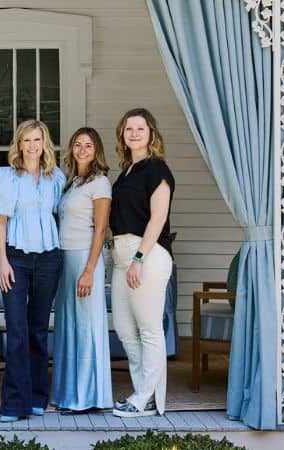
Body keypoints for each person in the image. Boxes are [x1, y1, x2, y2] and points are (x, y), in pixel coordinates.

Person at [0, 120, 66, 422]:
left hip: (48, 259)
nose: (32, 146)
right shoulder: (5, 177)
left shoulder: (56, 177)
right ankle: (13, 404)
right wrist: (3, 261)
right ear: (18, 144)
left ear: (45, 143)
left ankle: (36, 397)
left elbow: (62, 215)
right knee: (17, 331)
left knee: (38, 329)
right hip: (16, 259)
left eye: (37, 140)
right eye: (26, 140)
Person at [109, 108, 175, 418]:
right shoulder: (125, 173)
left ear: (151, 134)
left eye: (140, 128)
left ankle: (146, 395)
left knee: (149, 330)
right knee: (124, 329)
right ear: (122, 134)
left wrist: (138, 258)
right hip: (123, 257)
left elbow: (159, 218)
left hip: (146, 255)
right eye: (129, 129)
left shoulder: (156, 169)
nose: (134, 134)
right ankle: (143, 393)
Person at [50, 127, 114, 414]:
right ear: (71, 148)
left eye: (89, 145)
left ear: (96, 150)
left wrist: (89, 270)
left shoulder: (100, 183)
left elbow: (101, 229)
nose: (83, 149)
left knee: (87, 326)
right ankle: (67, 394)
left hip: (86, 258)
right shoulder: (69, 182)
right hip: (64, 258)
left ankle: (89, 397)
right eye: (78, 144)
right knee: (68, 326)